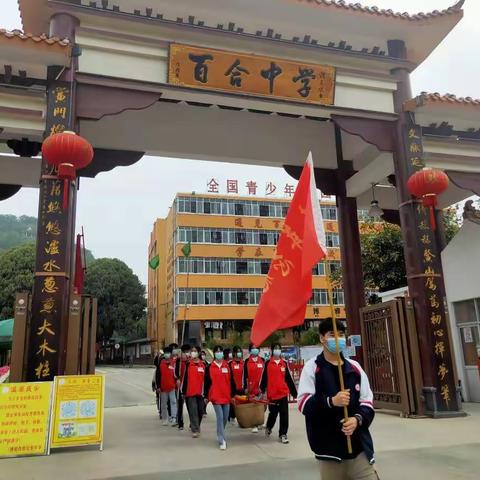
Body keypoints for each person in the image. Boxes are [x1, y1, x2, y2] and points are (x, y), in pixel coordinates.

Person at [297, 318, 377, 480]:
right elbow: (304, 404)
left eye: (341, 335)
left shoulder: (354, 368)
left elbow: (367, 402)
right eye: (332, 335)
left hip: (359, 448)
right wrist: (331, 401)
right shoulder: (312, 368)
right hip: (329, 452)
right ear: (322, 338)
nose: (338, 339)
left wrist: (357, 419)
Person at [260, 342, 297, 444]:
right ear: (272, 350)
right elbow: (263, 378)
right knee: (273, 414)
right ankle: (269, 426)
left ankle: (283, 434)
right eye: (275, 348)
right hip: (272, 394)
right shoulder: (267, 363)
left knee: (284, 414)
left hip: (283, 393)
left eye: (279, 348)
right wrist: (261, 390)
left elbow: (289, 379)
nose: (277, 350)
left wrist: (294, 393)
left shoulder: (284, 363)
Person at [205, 345, 235, 450]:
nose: (219, 353)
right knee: (220, 417)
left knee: (225, 417)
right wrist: (206, 396)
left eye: (220, 351)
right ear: (214, 354)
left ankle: (220, 431)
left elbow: (231, 381)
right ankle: (221, 439)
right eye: (217, 351)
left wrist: (233, 395)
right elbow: (207, 383)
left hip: (226, 396)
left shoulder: (227, 366)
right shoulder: (210, 367)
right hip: (216, 397)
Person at [182, 345, 206, 438]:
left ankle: (196, 425)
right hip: (190, 392)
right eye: (192, 351)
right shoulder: (188, 364)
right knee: (193, 411)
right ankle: (195, 429)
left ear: (199, 353)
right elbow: (184, 379)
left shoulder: (203, 365)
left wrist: (206, 393)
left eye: (195, 351)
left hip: (200, 393)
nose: (193, 352)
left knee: (200, 411)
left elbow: (207, 380)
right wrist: (183, 392)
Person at [243, 343, 265, 433]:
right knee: (253, 406)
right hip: (251, 387)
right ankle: (254, 424)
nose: (255, 349)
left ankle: (259, 421)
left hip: (260, 387)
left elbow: (265, 374)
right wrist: (245, 387)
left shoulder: (263, 360)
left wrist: (264, 386)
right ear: (250, 350)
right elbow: (244, 376)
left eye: (256, 348)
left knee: (261, 405)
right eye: (253, 348)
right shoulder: (247, 361)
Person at [156, 346, 178, 426]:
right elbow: (158, 375)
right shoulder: (161, 363)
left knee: (173, 402)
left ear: (171, 354)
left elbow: (176, 375)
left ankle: (173, 417)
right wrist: (158, 386)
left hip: (172, 386)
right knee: (163, 404)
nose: (167, 354)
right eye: (166, 353)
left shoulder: (174, 363)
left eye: (168, 353)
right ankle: (165, 418)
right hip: (163, 387)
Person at [176, 343, 191, 431]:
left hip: (189, 387)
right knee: (180, 406)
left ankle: (192, 423)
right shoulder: (179, 361)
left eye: (188, 352)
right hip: (180, 386)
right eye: (185, 352)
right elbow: (175, 372)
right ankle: (180, 423)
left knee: (190, 406)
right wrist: (177, 379)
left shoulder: (191, 361)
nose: (187, 353)